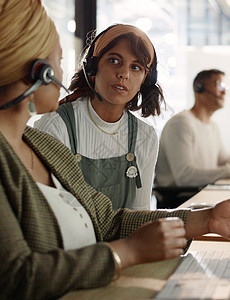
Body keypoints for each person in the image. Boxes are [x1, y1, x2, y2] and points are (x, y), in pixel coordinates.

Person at [0, 1, 230, 299]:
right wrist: (127, 253)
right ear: (38, 70)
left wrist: (205, 219)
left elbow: (108, 220)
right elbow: (13, 280)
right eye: (58, 59)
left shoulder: (40, 144)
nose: (66, 69)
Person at [34, 24, 161, 210]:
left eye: (136, 67)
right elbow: (48, 213)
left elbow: (140, 214)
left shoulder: (145, 136)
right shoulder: (56, 126)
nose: (124, 74)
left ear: (145, 80)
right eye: (114, 61)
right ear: (92, 68)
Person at [155, 69, 230, 187]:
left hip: (203, 192)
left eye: (225, 88)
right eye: (219, 86)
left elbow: (225, 158)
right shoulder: (180, 123)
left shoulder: (212, 126)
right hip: (181, 199)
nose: (224, 92)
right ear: (199, 88)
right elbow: (184, 176)